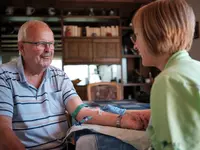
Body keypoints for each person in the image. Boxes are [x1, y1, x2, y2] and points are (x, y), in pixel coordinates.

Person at [0, 20, 149, 150]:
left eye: (51, 44)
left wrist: (122, 120)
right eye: (41, 44)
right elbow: (3, 131)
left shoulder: (59, 76)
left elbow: (80, 111)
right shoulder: (4, 76)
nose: (48, 50)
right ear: (21, 47)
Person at [131, 0, 200, 149]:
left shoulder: (167, 80)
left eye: (137, 35)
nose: (135, 45)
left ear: (157, 35)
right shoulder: (196, 68)